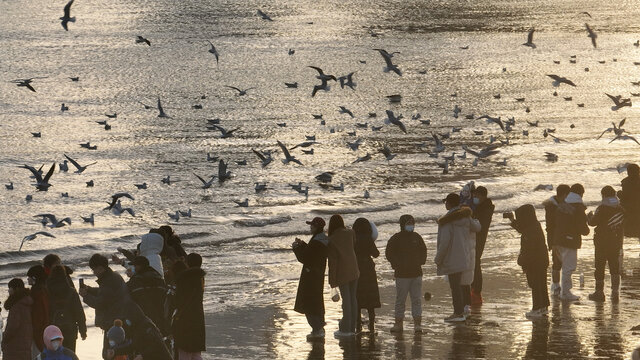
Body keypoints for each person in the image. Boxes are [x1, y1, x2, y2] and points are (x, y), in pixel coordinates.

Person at [435, 193, 481, 322]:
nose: (445, 204)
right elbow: (477, 227)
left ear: (449, 203)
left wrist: (438, 259)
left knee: (455, 287)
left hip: (452, 257)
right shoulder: (465, 217)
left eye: (445, 202)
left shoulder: (447, 221)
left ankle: (458, 313)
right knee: (463, 284)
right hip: (465, 256)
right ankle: (464, 310)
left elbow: (444, 243)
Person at [79, 254, 131, 356]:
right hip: (120, 318)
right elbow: (105, 293)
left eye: (94, 270)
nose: (94, 273)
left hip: (114, 322)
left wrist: (86, 296)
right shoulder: (112, 276)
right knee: (116, 352)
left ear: (100, 268)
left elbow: (100, 303)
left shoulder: (108, 281)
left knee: (109, 354)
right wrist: (89, 290)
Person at [385, 215, 427, 333]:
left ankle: (417, 325)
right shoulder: (396, 238)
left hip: (416, 273)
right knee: (400, 300)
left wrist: (420, 261)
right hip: (402, 275)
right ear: (402, 224)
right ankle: (398, 324)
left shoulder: (417, 237)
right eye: (408, 223)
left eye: (412, 223)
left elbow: (424, 250)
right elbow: (389, 253)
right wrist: (396, 264)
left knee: (416, 300)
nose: (411, 225)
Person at [508, 204, 550, 318]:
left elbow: (528, 251)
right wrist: (513, 221)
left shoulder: (529, 232)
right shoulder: (534, 225)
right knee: (542, 284)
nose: (520, 220)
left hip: (534, 263)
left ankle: (536, 309)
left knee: (535, 285)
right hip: (542, 260)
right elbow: (522, 229)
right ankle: (544, 307)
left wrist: (521, 262)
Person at [292, 217, 329, 340]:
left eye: (312, 225)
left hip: (310, 276)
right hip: (318, 275)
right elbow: (312, 253)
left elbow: (305, 258)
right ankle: (319, 328)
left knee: (309, 303)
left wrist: (296, 248)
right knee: (317, 300)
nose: (310, 227)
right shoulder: (322, 240)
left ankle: (317, 329)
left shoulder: (316, 242)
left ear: (317, 227)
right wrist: (303, 244)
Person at [587, 186, 624, 302]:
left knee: (600, 266)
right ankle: (615, 292)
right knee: (614, 267)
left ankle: (599, 293)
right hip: (616, 241)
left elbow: (593, 223)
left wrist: (589, 216)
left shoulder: (602, 208)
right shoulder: (621, 209)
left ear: (603, 195)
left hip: (601, 242)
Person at [554, 184, 590, 301]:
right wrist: (587, 222)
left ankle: (558, 289)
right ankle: (565, 292)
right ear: (581, 194)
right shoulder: (578, 207)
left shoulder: (562, 205)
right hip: (570, 240)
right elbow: (583, 229)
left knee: (562, 265)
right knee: (568, 267)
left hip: (558, 239)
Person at [327, 214, 360, 337]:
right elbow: (354, 245)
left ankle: (346, 329)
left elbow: (333, 262)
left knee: (346, 300)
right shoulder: (351, 233)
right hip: (354, 269)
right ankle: (352, 327)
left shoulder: (332, 239)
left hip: (342, 272)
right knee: (353, 299)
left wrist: (332, 280)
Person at [106, 302, 172, 360]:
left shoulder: (147, 326)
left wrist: (143, 356)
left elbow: (157, 345)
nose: (127, 322)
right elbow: (133, 345)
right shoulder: (137, 328)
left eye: (127, 319)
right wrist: (115, 351)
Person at [173, 255, 206, 359]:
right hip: (198, 316)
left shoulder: (184, 279)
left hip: (185, 317)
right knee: (196, 350)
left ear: (188, 263)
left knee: (184, 349)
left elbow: (178, 300)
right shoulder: (200, 277)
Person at [47, 265, 87, 352]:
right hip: (70, 330)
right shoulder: (71, 292)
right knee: (69, 354)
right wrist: (83, 331)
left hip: (53, 330)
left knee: (55, 356)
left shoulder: (48, 291)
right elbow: (79, 312)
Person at [126, 256, 168, 335]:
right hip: (161, 318)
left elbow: (125, 294)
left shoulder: (135, 282)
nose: (134, 268)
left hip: (143, 319)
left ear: (140, 266)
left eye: (135, 266)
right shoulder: (160, 280)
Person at [353, 218, 381, 334]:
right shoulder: (368, 239)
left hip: (357, 268)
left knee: (358, 297)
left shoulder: (353, 239)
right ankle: (371, 324)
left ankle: (358, 324)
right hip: (369, 269)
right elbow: (376, 254)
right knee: (370, 298)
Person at [543, 184, 571, 297]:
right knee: (557, 263)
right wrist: (553, 242)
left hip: (559, 237)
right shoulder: (552, 207)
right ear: (564, 195)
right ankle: (556, 286)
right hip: (555, 238)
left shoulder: (557, 204)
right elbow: (551, 226)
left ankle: (558, 286)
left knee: (560, 262)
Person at [470, 186, 494, 305]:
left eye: (477, 196)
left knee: (475, 261)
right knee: (474, 261)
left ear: (483, 196)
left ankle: (476, 290)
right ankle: (474, 289)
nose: (475, 198)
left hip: (479, 237)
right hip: (476, 236)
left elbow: (480, 224)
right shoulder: (481, 206)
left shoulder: (486, 208)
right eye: (474, 196)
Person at [1, 278, 33, 360]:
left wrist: (4, 339)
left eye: (10, 288)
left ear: (16, 289)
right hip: (26, 343)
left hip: (14, 346)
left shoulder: (16, 306)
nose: (8, 291)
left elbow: (12, 327)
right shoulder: (27, 303)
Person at [28, 265, 50, 354]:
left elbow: (38, 316)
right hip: (43, 329)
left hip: (38, 332)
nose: (27, 279)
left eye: (29, 277)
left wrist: (35, 332)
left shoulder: (36, 294)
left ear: (34, 278)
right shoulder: (43, 290)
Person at [620, 163, 640, 238]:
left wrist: (620, 194)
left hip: (629, 211)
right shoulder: (626, 182)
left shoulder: (626, 182)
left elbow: (626, 197)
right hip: (632, 210)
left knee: (630, 232)